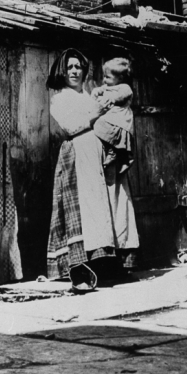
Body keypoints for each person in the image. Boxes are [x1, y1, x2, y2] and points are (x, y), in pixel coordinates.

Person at [45, 49, 140, 291]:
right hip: (78, 155)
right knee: (84, 210)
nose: (75, 71)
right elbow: (72, 125)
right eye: (70, 67)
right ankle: (80, 270)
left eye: (78, 67)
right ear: (62, 71)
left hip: (100, 157)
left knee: (106, 208)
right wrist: (98, 111)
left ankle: (110, 268)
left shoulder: (89, 95)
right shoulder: (60, 98)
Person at [90, 57, 135, 173]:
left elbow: (124, 95)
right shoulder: (107, 87)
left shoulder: (124, 87)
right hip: (111, 118)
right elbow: (100, 90)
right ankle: (113, 152)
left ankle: (116, 154)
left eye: (107, 77)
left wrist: (113, 99)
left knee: (104, 128)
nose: (104, 80)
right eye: (104, 76)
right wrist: (95, 92)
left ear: (120, 78)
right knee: (99, 127)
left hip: (120, 119)